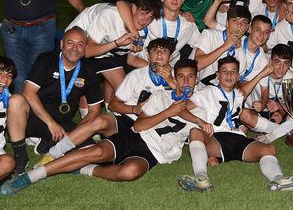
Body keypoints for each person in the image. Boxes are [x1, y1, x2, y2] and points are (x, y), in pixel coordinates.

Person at [1, 59, 212, 195]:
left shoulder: (201, 109)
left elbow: (198, 135)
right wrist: (168, 112)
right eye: (181, 76)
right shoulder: (160, 96)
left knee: (129, 173)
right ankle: (29, 177)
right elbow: (138, 127)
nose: (185, 82)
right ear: (174, 77)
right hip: (136, 137)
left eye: (191, 77)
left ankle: (82, 170)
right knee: (97, 151)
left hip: (156, 153)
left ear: (197, 80)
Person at [34, 38, 178, 167]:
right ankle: (52, 153)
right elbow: (114, 104)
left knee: (108, 157)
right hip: (128, 120)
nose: (159, 54)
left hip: (153, 128)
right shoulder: (136, 75)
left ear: (170, 57)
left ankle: (84, 162)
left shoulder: (179, 78)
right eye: (155, 50)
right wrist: (134, 109)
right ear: (148, 55)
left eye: (164, 51)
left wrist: (171, 82)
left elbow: (189, 102)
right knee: (99, 120)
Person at [178, 56, 293, 192]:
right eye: (224, 71)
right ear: (217, 75)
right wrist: (200, 122)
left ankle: (278, 180)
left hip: (239, 138)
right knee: (195, 132)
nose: (229, 75)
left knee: (269, 149)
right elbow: (181, 110)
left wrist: (265, 71)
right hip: (216, 139)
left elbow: (251, 84)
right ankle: (201, 178)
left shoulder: (239, 94)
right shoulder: (206, 93)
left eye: (233, 71)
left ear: (238, 76)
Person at [7, 27, 103, 175]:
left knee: (92, 152)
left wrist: (75, 134)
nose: (74, 48)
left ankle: (45, 144)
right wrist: (51, 124)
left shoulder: (89, 70)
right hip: (34, 117)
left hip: (63, 124)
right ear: (61, 44)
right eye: (70, 43)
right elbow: (29, 93)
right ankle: (21, 156)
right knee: (15, 100)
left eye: (80, 44)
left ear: (85, 48)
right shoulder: (46, 59)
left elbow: (95, 111)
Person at [85, 0, 160, 103]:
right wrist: (116, 43)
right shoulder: (111, 15)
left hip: (106, 50)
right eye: (144, 13)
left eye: (150, 17)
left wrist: (157, 67)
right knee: (81, 85)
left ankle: (110, 112)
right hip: (83, 37)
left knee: (124, 93)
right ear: (134, 9)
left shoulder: (144, 31)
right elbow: (87, 51)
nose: (145, 20)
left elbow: (132, 60)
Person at [135, 0, 200, 67]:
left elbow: (200, 47)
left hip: (172, 70)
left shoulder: (188, 24)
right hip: (144, 66)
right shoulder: (150, 19)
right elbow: (132, 59)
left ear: (183, 0)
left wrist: (188, 66)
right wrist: (157, 70)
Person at [0, 57, 16, 182]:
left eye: (9, 75)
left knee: (8, 163)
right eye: (0, 73)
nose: (4, 79)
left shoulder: (9, 99)